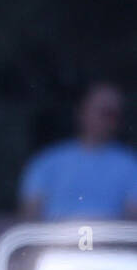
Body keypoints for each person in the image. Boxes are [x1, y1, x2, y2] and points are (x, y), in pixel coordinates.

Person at [18, 81, 137, 220]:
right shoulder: (47, 161)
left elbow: (133, 219)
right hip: (54, 240)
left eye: (114, 114)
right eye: (104, 112)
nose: (109, 120)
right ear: (82, 112)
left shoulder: (130, 165)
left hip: (110, 240)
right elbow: (29, 215)